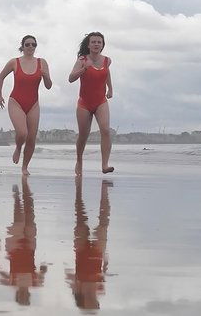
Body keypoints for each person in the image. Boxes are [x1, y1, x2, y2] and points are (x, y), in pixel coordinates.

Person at [0, 35, 53, 175]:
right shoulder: (14, 62)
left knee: (32, 138)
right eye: (27, 44)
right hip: (16, 101)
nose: (31, 47)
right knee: (22, 133)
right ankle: (18, 147)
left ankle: (25, 167)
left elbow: (49, 86)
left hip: (33, 104)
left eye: (33, 44)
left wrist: (46, 76)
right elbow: (1, 77)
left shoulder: (42, 62)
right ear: (22, 46)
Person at [0, 176, 47, 306]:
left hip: (14, 247)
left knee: (18, 218)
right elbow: (43, 270)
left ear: (17, 294)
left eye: (21, 296)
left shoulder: (11, 282)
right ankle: (26, 197)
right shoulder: (35, 283)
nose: (23, 294)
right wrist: (43, 269)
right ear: (28, 295)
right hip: (29, 246)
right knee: (30, 217)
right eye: (25, 297)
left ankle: (17, 198)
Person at [68, 32, 114, 175]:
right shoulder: (82, 60)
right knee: (83, 134)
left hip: (101, 101)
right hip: (84, 103)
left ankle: (104, 165)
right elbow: (70, 78)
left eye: (99, 42)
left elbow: (106, 73)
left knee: (105, 130)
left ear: (102, 45)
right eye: (93, 42)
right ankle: (79, 160)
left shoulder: (107, 60)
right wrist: (84, 68)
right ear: (88, 45)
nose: (96, 44)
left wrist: (110, 88)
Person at [65, 178, 113, 310]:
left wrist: (71, 276)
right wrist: (106, 262)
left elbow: (68, 275)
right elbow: (102, 274)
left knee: (81, 219)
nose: (96, 303)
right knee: (103, 223)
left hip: (81, 251)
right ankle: (105, 192)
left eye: (93, 305)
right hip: (98, 253)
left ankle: (78, 192)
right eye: (96, 305)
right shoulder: (100, 290)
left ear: (84, 302)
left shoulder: (77, 288)